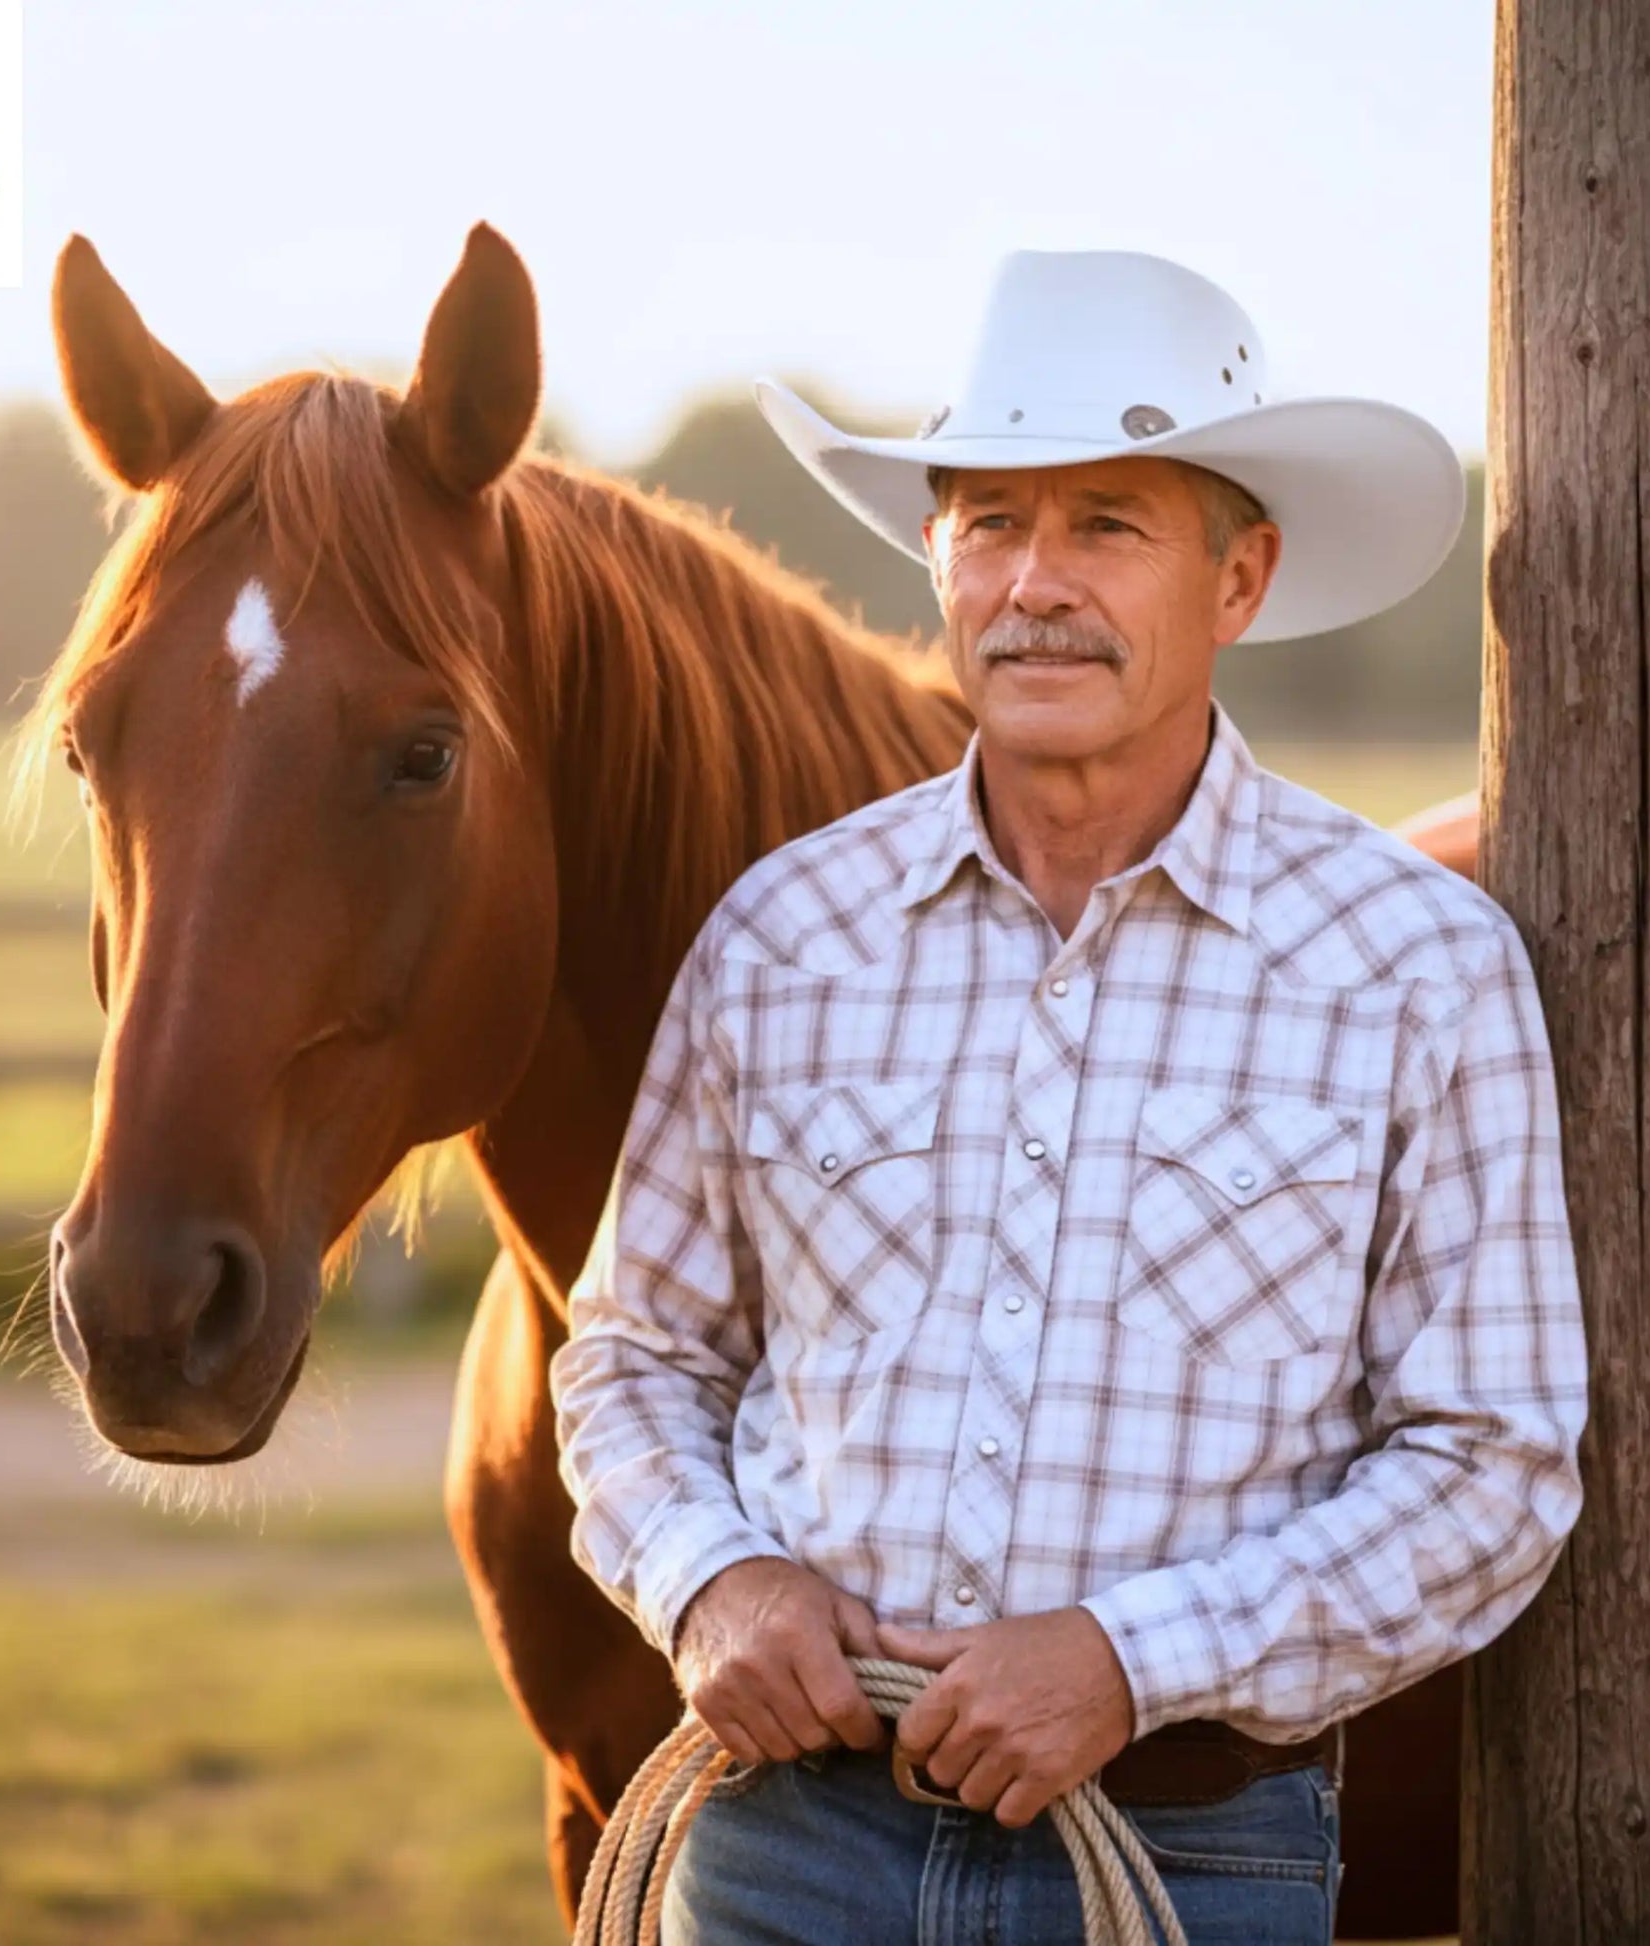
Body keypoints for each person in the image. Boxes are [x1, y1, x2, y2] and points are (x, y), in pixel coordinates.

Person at [550, 248, 1587, 1943]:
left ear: (1237, 578)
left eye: (1106, 523)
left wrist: (1129, 1659)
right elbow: (631, 1357)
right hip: (782, 1842)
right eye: (988, 523)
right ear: (938, 563)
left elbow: (1492, 1461)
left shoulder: (1414, 966)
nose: (1037, 582)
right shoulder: (782, 938)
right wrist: (713, 1578)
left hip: (1184, 1849)